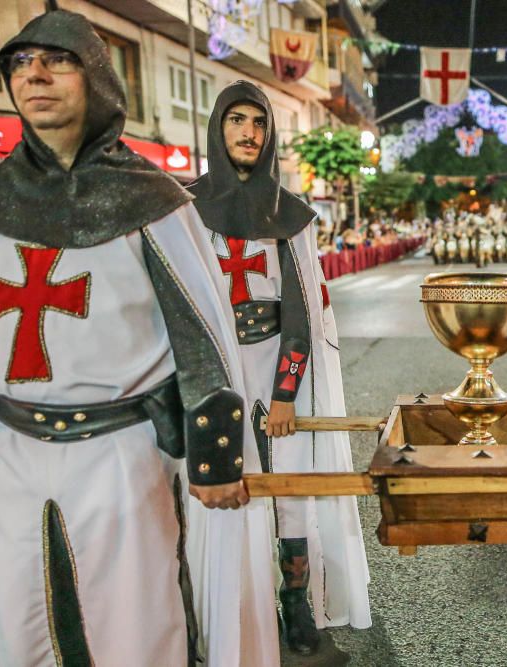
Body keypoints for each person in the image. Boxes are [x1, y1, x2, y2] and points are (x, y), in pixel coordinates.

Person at [0, 9, 271, 664]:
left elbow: (201, 333)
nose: (35, 75)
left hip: (121, 453)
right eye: (21, 63)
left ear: (98, 80)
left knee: (136, 625)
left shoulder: (152, 200)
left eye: (58, 61)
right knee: (14, 624)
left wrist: (216, 456)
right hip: (7, 452)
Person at [187, 81, 371, 655]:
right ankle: (229, 601)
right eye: (236, 120)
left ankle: (294, 603)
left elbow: (299, 312)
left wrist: (286, 393)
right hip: (211, 368)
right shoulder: (184, 210)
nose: (248, 132)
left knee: (289, 488)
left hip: (272, 366)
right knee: (218, 489)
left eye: (259, 123)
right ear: (218, 129)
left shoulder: (291, 215)